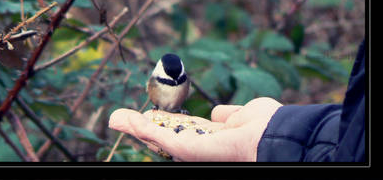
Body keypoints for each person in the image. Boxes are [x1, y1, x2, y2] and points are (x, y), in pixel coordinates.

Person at [108, 39, 366, 162]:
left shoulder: (185, 79)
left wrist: (273, 136)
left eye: (179, 78)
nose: (176, 82)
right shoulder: (154, 80)